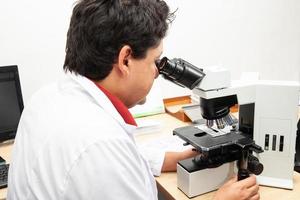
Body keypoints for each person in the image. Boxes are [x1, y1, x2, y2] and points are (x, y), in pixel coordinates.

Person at [7, 0, 259, 199]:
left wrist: (179, 158)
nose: (157, 71)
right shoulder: (101, 146)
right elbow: (108, 162)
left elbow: (114, 166)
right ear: (125, 59)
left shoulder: (47, 97)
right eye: (155, 61)